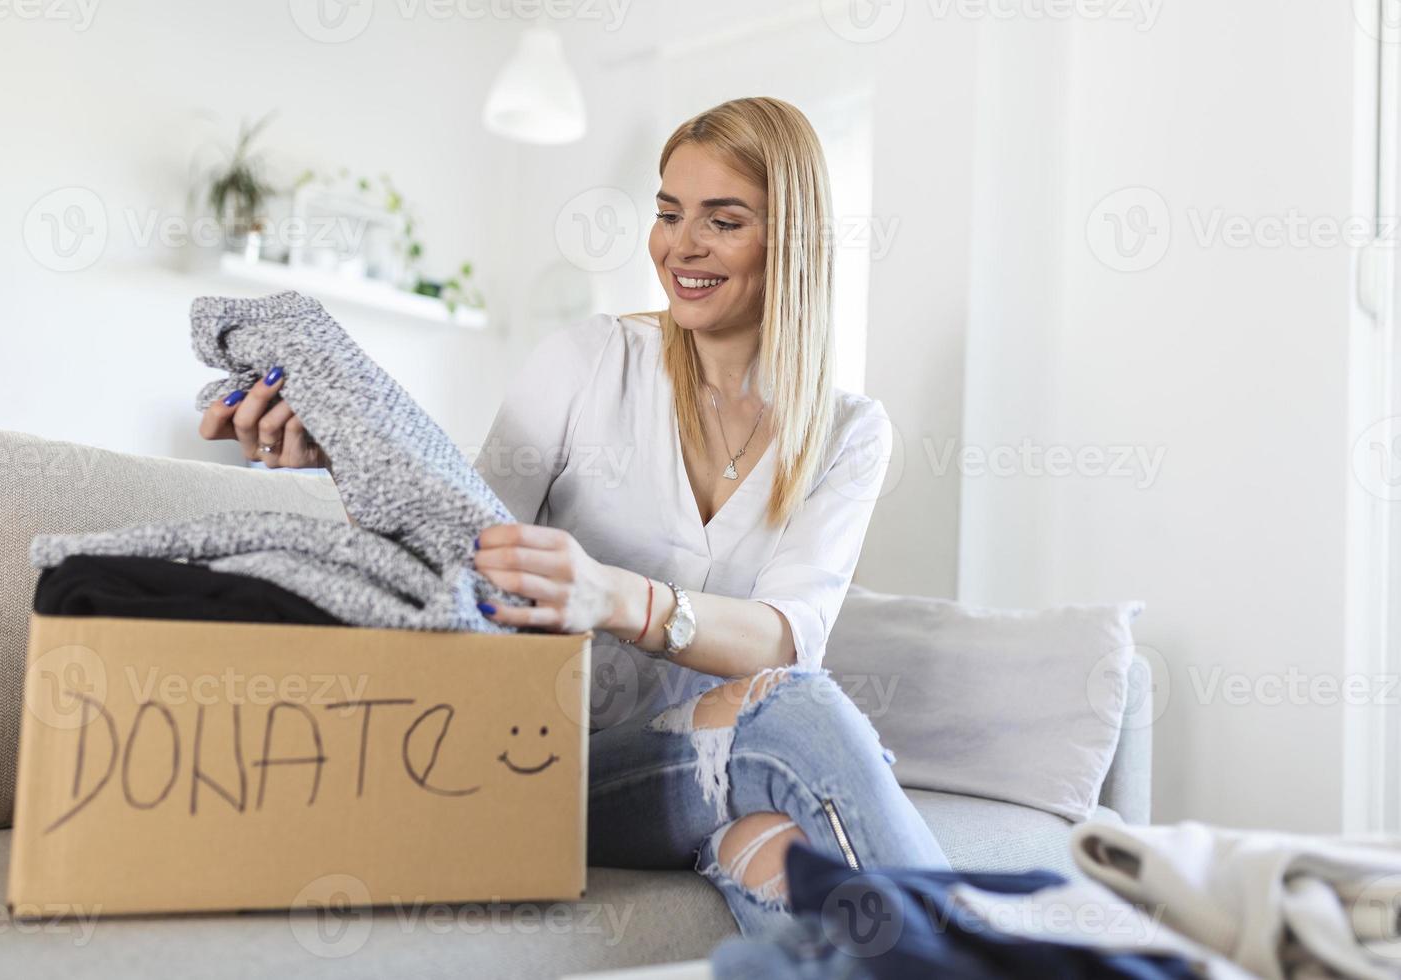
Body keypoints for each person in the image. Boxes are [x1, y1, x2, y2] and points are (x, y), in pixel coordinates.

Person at [198, 95, 947, 936]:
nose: (681, 247)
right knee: (795, 708)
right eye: (668, 214)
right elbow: (457, 552)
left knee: (782, 855)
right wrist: (348, 456)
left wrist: (619, 598)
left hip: (697, 777)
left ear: (794, 243)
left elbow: (786, 635)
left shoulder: (847, 430)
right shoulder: (586, 363)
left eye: (722, 220)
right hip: (540, 759)